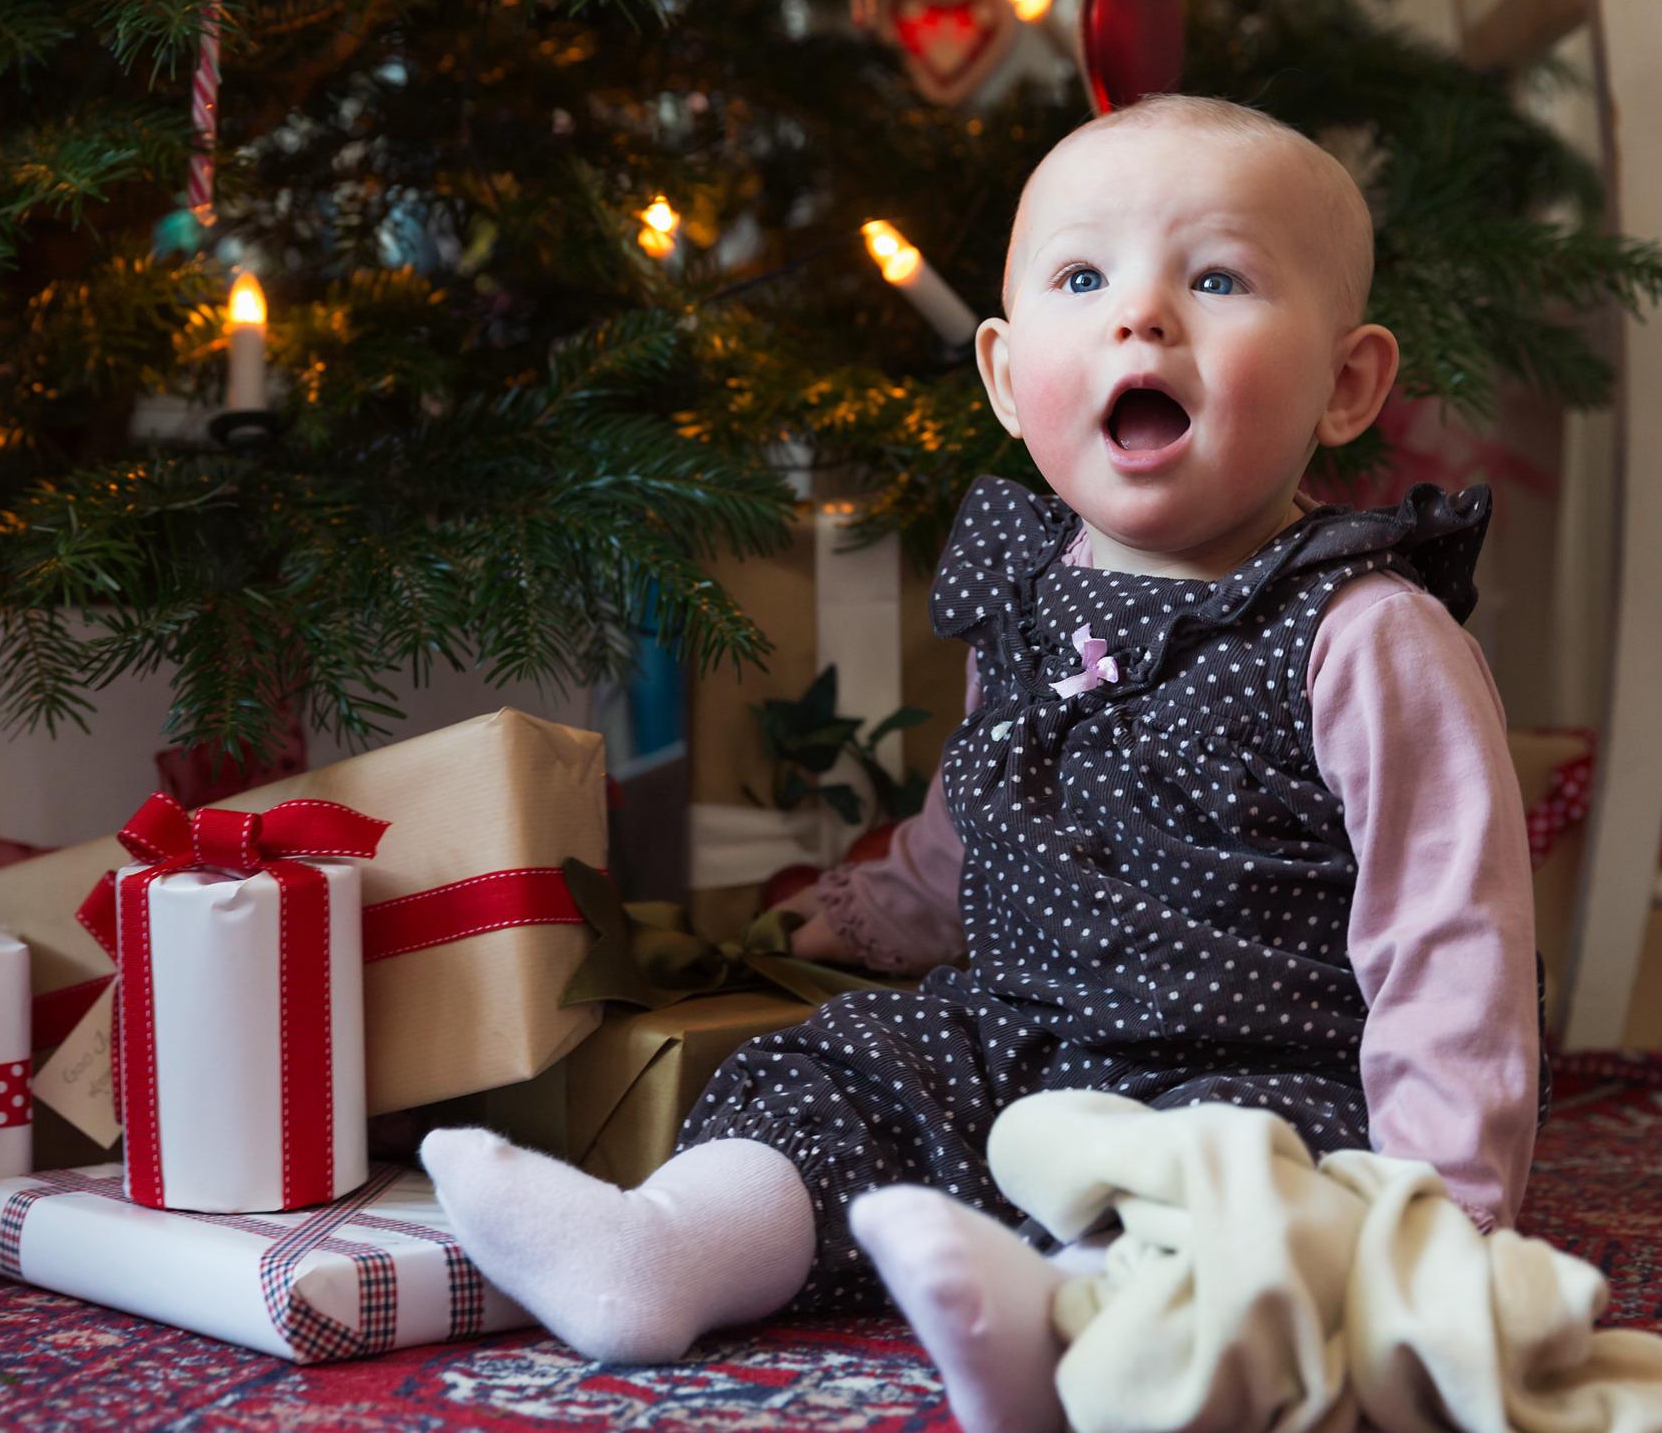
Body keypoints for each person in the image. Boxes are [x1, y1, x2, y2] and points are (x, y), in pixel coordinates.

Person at [421, 96, 1544, 1431]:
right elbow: (991, 804)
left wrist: (1444, 1209)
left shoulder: (1364, 629)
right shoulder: (1031, 590)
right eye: (1085, 278)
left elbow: (1453, 932)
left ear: (1348, 384)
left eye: (1219, 278)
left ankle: (1079, 1328)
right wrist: (877, 909)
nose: (1142, 317)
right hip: (1017, 1038)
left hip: (1253, 1074)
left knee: (1246, 1206)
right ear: (1010, 379)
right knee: (841, 1067)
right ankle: (664, 1247)